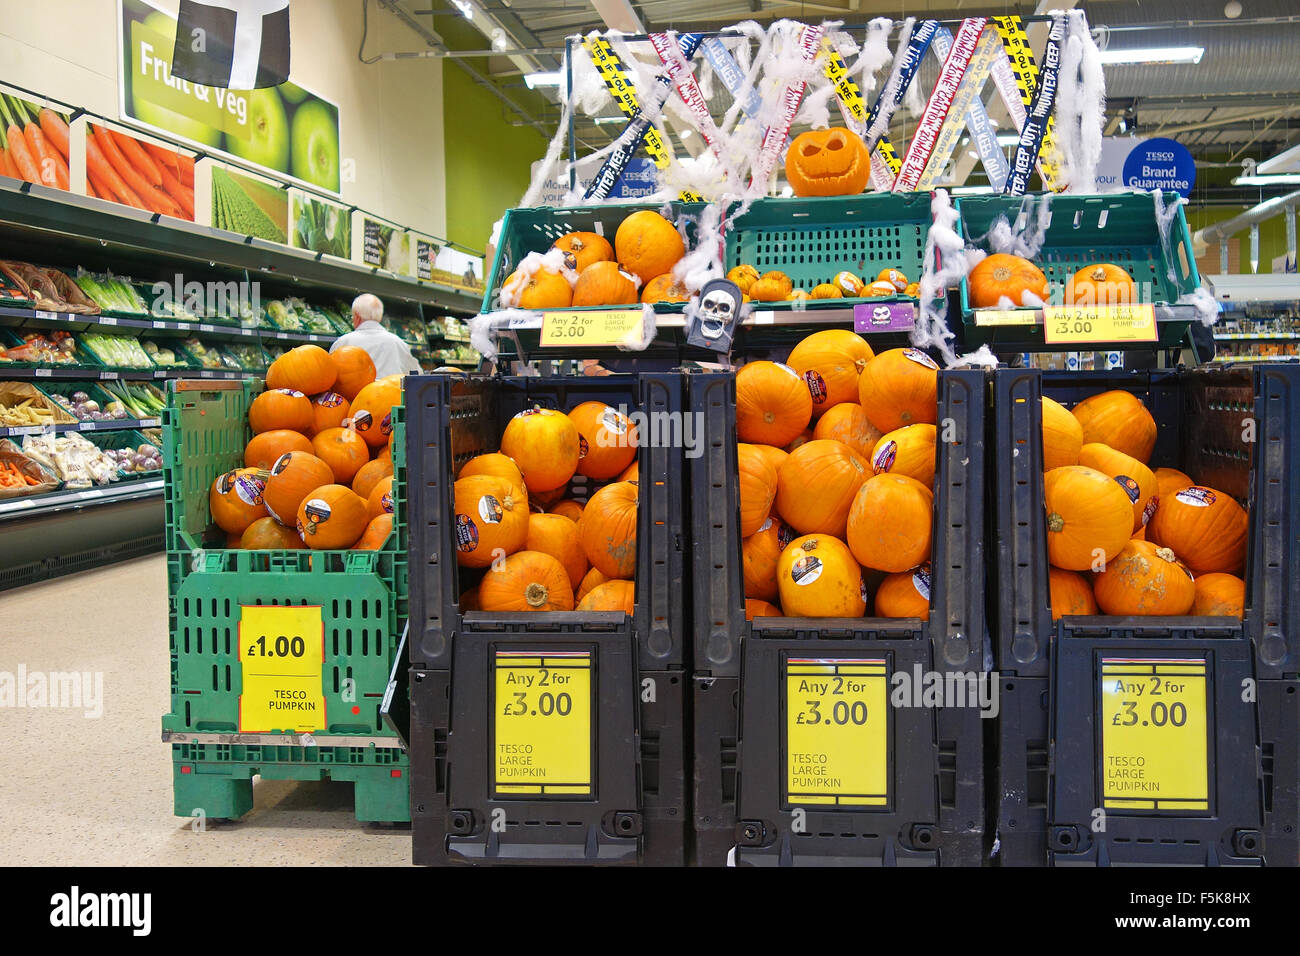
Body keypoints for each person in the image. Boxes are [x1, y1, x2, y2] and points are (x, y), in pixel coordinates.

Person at [329, 293, 422, 378]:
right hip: (392, 394)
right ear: (380, 316)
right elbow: (417, 374)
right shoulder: (398, 342)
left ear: (356, 316)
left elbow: (329, 375)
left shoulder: (343, 342)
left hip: (355, 396)